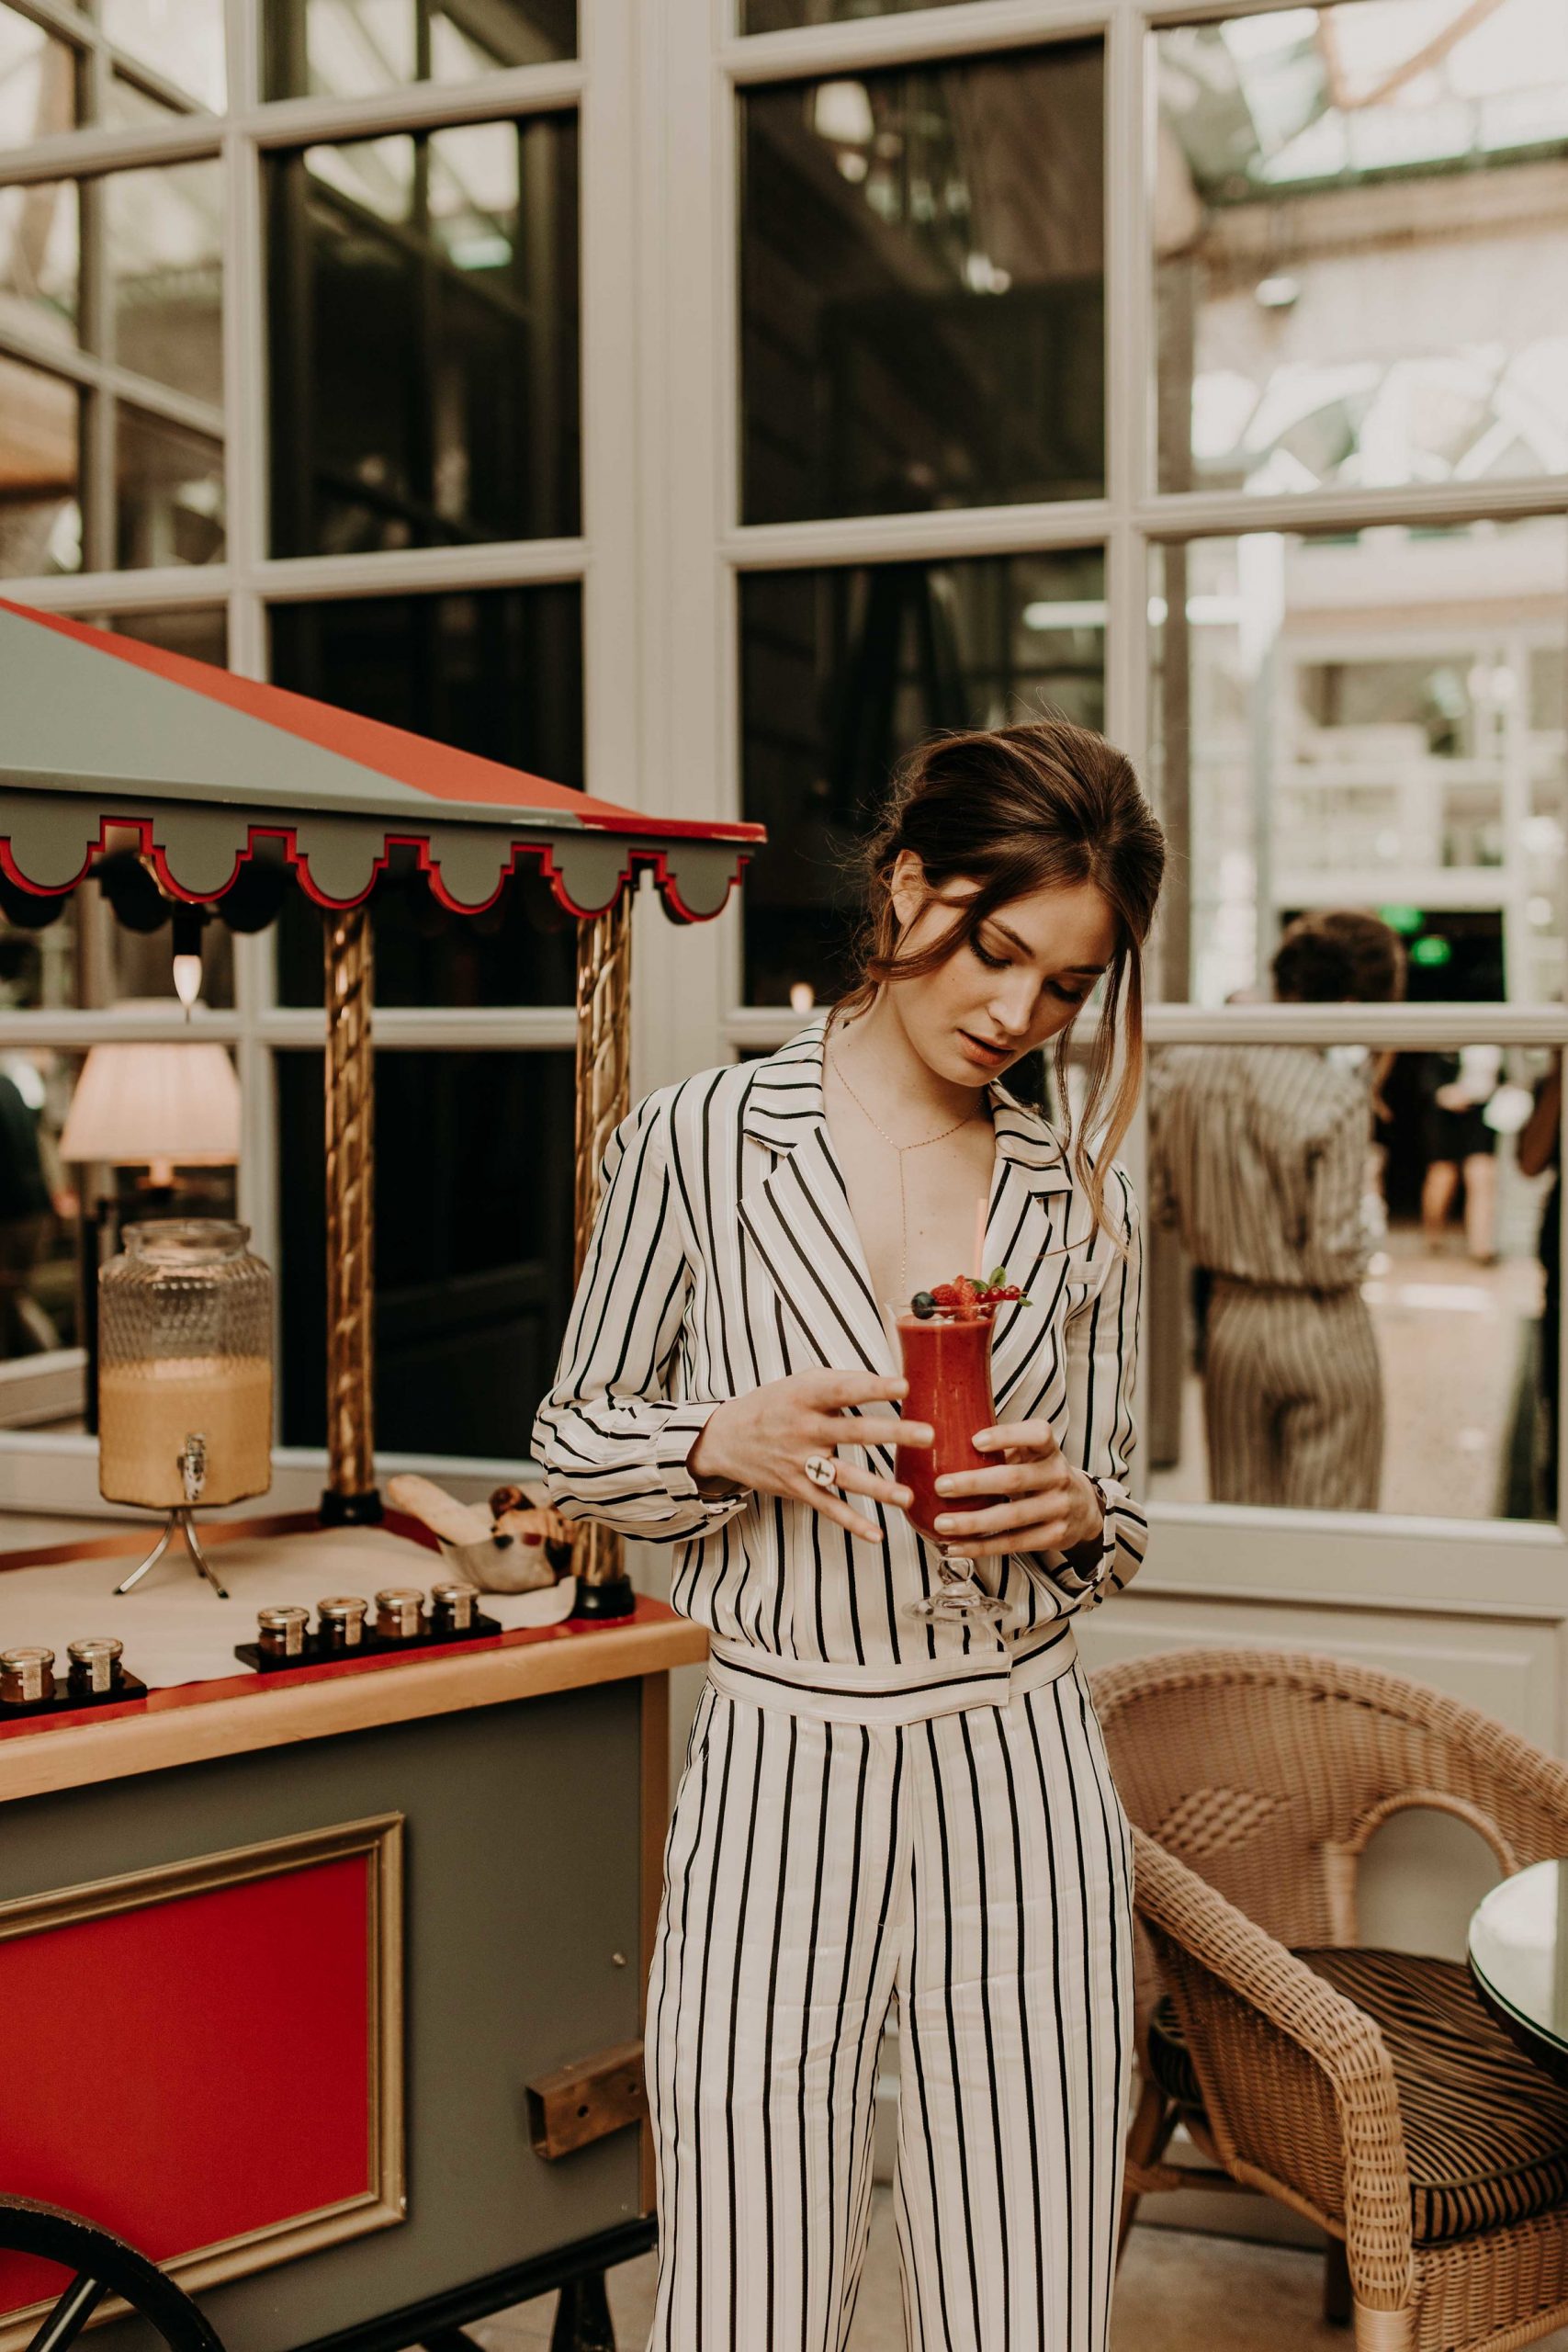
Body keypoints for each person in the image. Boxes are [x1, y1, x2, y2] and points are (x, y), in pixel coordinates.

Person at [535, 721, 1165, 2351]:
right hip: (780, 1748)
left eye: (1066, 988)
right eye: (992, 948)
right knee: (745, 2281)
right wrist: (713, 1438)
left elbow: (1126, 1501)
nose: (1015, 1015)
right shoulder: (698, 1144)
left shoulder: (1080, 1190)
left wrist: (1082, 1514)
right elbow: (574, 1439)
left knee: (1025, 2285)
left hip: (1018, 1758)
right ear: (904, 888)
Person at [1147, 910, 1404, 1513]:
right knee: (1331, 1530)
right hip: (1324, 1324)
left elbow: (1161, 1206)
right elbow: (1333, 1254)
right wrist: (1372, 1203)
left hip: (1230, 1318)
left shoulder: (1184, 1068)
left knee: (1242, 1523)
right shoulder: (1336, 1099)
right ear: (1352, 1006)